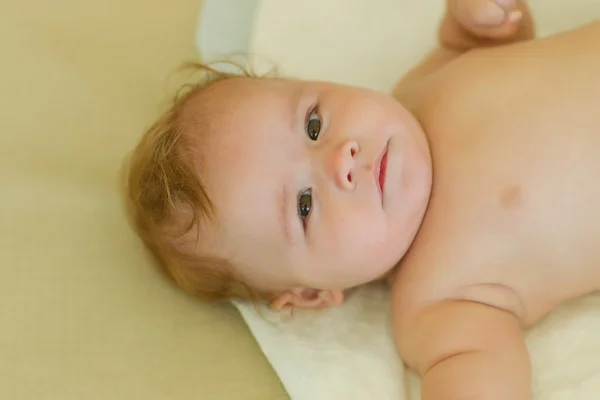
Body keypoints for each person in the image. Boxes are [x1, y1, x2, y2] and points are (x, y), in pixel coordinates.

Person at [124, 0, 600, 398]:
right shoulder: (436, 301)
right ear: (311, 293)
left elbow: (483, 44)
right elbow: (483, 374)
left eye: (314, 124)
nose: (342, 159)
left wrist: (482, 18)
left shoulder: (418, 91)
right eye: (304, 206)